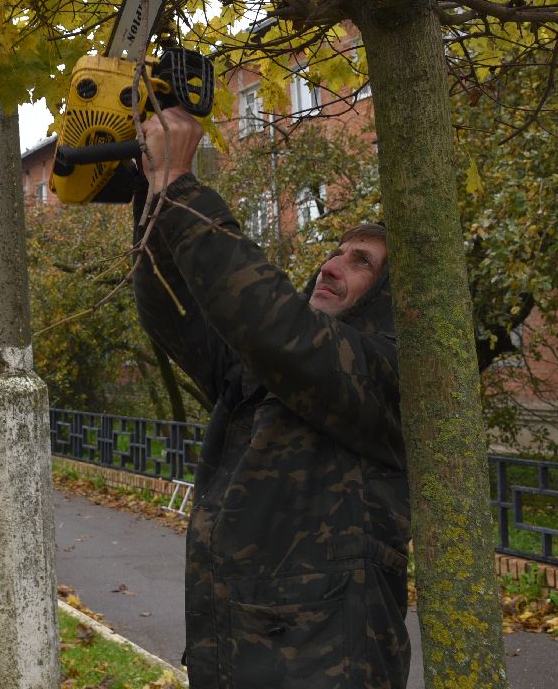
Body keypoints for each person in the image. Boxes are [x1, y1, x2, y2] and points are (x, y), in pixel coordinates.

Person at [132, 105, 408, 688]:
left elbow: (271, 322)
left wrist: (183, 186)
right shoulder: (265, 371)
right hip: (237, 652)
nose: (332, 266)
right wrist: (154, 190)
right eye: (335, 250)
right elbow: (175, 311)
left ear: (389, 297)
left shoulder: (384, 373)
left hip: (328, 665)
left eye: (362, 263)